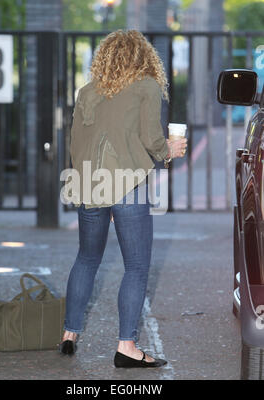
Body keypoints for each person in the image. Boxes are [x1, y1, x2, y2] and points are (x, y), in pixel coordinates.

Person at [59, 29, 187, 368]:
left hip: (89, 184)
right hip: (129, 183)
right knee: (136, 266)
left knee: (86, 258)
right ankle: (127, 347)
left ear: (105, 57)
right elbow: (151, 138)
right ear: (143, 57)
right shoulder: (147, 87)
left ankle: (69, 335)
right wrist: (170, 150)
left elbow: (75, 144)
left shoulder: (87, 91)